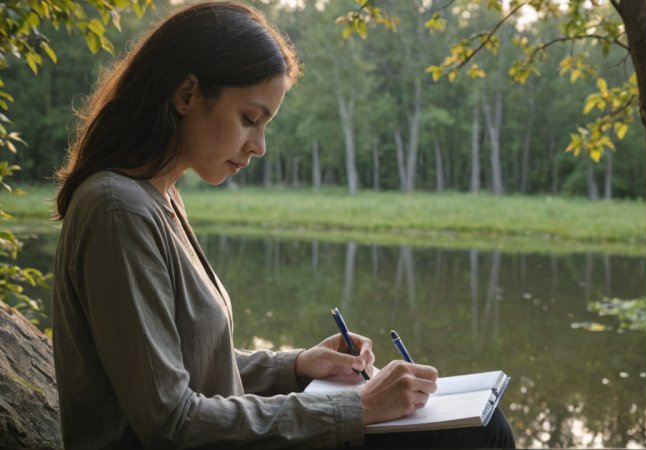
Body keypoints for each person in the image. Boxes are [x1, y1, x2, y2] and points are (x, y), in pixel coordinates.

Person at [52, 2, 515, 448]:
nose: (259, 146)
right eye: (250, 118)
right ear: (187, 94)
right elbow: (171, 423)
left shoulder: (157, 198)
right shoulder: (120, 210)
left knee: (481, 425)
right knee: (479, 434)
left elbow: (183, 363)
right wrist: (357, 408)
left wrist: (295, 366)